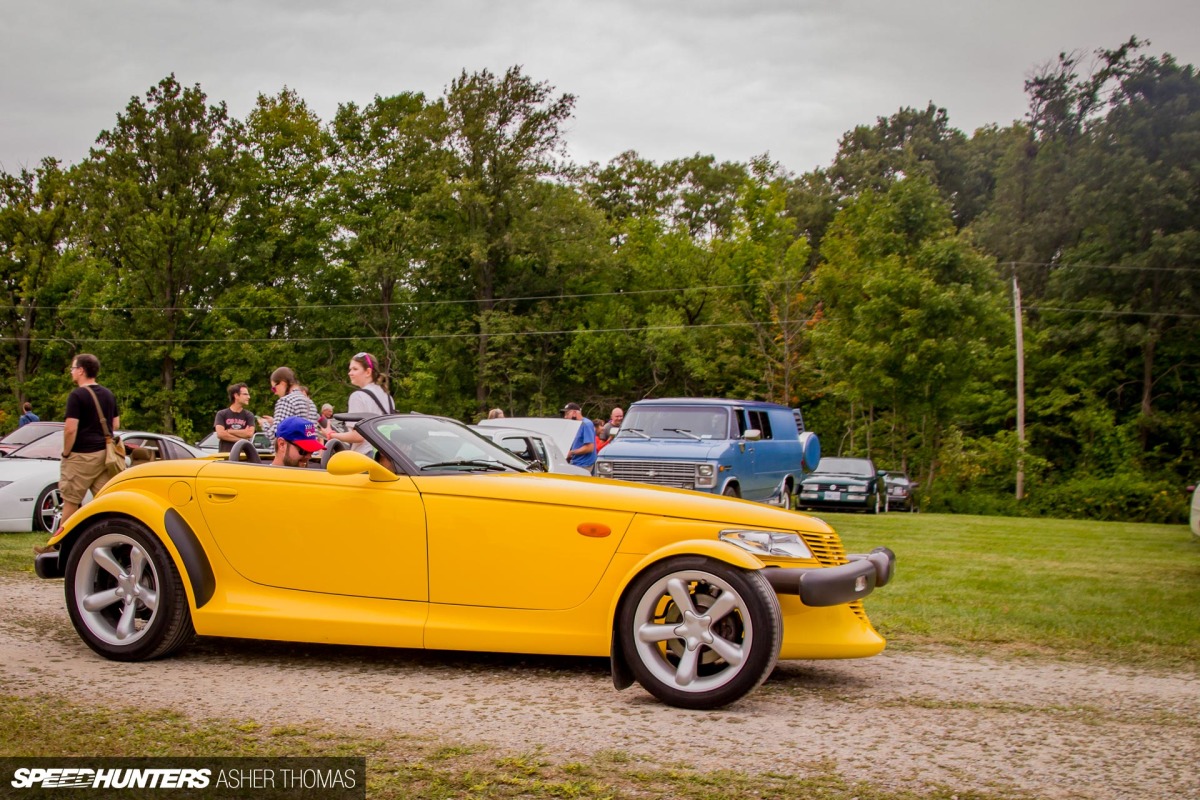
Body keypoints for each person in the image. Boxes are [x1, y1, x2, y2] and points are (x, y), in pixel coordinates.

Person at [59, 354, 119, 527]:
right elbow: (115, 424)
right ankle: (112, 536)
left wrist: (66, 453)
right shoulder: (108, 394)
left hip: (81, 456)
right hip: (105, 456)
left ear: (81, 370)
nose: (71, 372)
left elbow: (70, 429)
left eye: (72, 368)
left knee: (71, 501)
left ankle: (60, 541)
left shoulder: (77, 395)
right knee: (105, 502)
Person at [325, 352, 394, 455]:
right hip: (385, 455)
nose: (350, 373)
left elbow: (358, 436)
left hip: (365, 455)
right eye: (350, 369)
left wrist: (331, 434)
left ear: (368, 372)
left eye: (355, 369)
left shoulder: (358, 396)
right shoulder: (387, 396)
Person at [258, 367, 319, 439]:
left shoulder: (286, 401)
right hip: (309, 445)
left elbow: (274, 435)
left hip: (291, 446)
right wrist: (274, 422)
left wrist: (264, 424)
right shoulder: (310, 403)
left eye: (274, 388)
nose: (275, 393)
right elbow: (309, 432)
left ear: (283, 383)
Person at [213, 383, 256, 454]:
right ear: (236, 395)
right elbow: (220, 434)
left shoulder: (249, 415)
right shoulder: (221, 414)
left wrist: (229, 431)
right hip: (226, 455)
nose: (249, 397)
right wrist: (241, 440)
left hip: (243, 455)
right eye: (245, 394)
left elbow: (249, 433)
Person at [562, 402, 597, 471]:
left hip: (584, 465)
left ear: (574, 413)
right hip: (575, 463)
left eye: (567, 414)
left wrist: (571, 452)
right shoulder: (575, 425)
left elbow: (589, 448)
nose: (565, 417)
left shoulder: (586, 424)